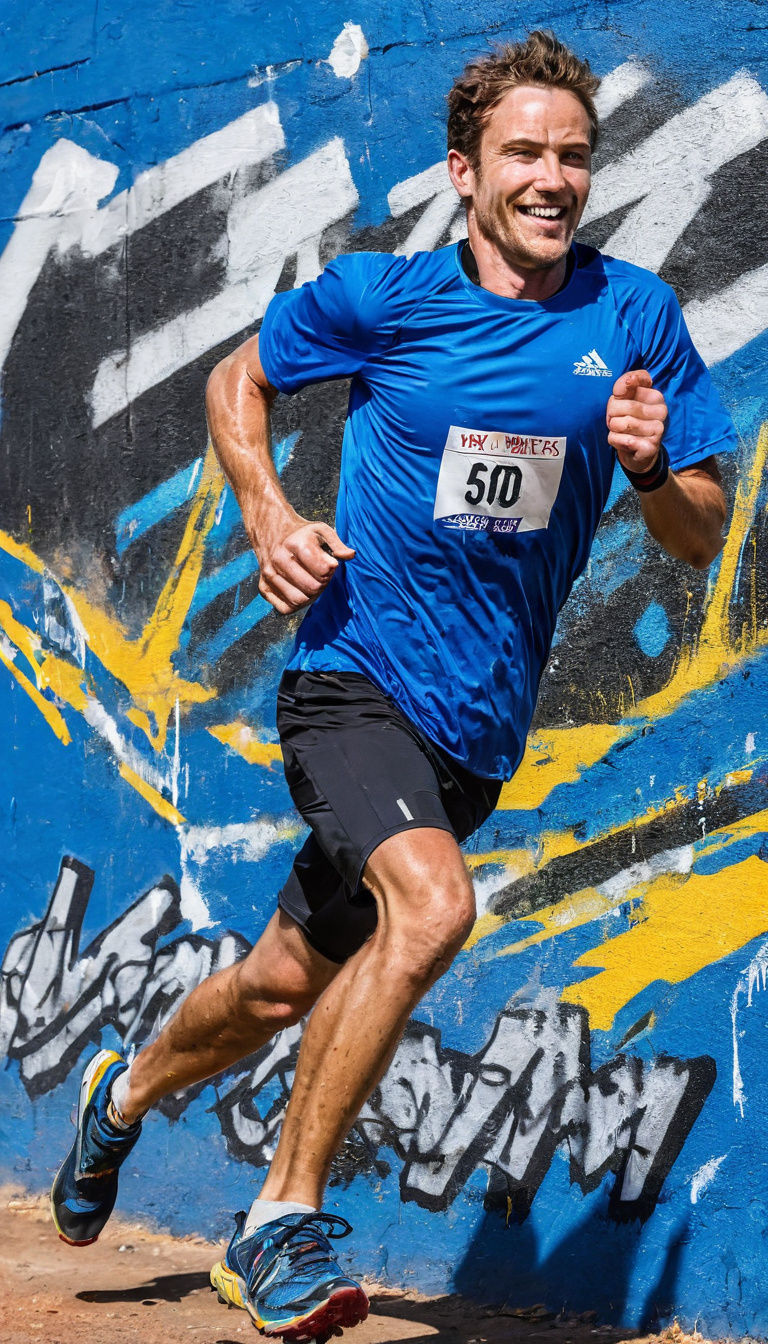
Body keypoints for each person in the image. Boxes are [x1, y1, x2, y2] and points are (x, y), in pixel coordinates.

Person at [51, 29, 735, 1343]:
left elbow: (700, 535)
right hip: (351, 682)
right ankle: (279, 1223)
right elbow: (237, 379)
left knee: (275, 985)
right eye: (523, 153)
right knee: (432, 906)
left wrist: (655, 468)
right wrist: (266, 514)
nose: (551, 178)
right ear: (465, 171)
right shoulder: (384, 298)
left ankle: (119, 1097)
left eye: (573, 155)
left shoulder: (633, 318)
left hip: (474, 738)